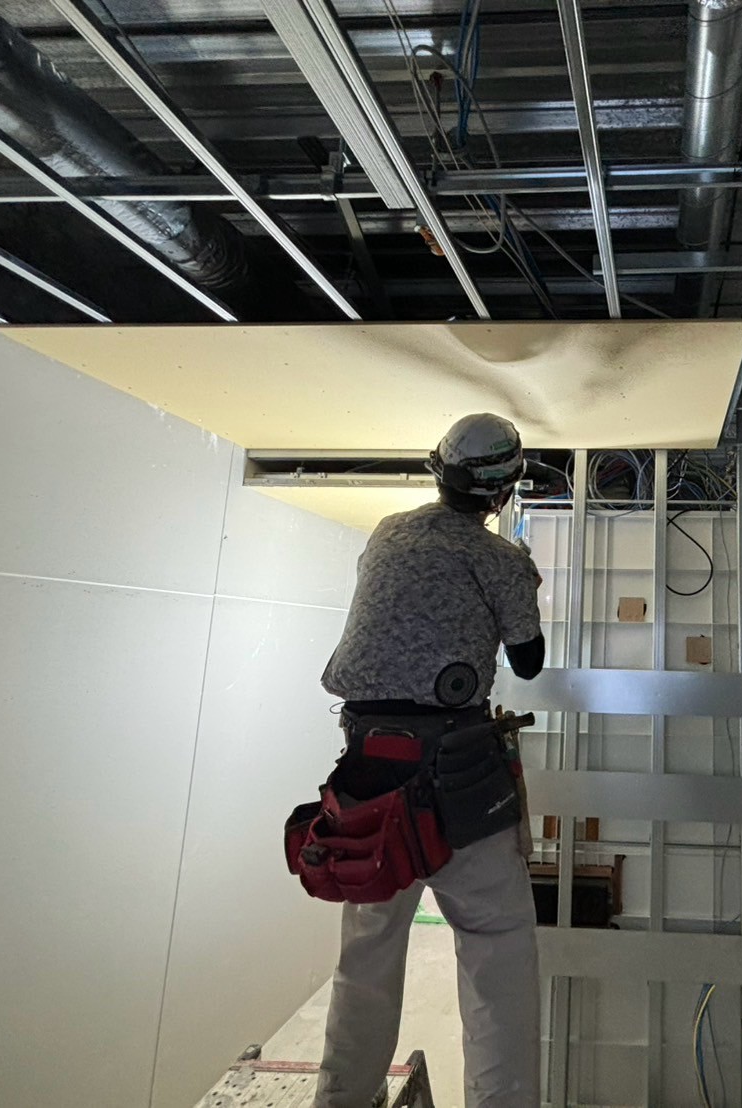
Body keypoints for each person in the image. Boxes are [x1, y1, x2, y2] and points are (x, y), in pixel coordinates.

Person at [313, 413, 545, 1108]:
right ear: (503, 491)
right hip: (458, 782)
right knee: (497, 951)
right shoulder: (501, 561)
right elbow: (528, 662)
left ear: (438, 472)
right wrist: (521, 583)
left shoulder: (388, 531)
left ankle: (341, 1099)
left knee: (365, 955)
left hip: (367, 779)